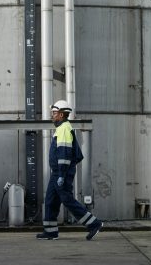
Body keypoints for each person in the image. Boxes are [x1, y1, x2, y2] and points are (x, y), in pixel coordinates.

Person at [36, 100, 103, 241]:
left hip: (62, 173)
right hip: (57, 173)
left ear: (61, 114)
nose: (52, 116)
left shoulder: (65, 128)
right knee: (50, 201)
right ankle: (50, 232)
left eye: (54, 113)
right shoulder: (61, 128)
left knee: (67, 200)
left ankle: (94, 224)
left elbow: (64, 153)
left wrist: (61, 174)